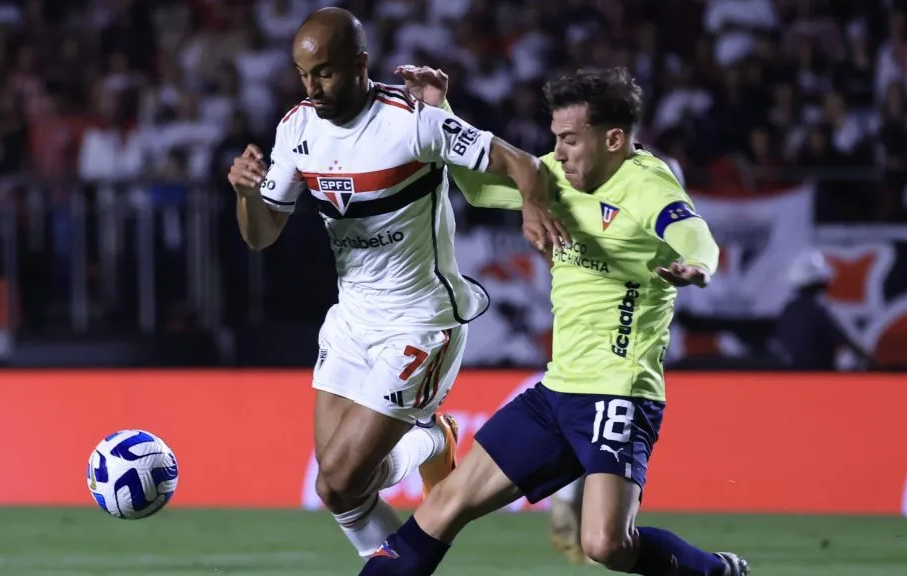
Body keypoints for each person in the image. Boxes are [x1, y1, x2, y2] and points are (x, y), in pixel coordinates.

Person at [358, 65, 751, 576]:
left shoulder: (647, 186)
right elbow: (479, 189)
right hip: (556, 391)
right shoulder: (553, 176)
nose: (558, 152)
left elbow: (695, 235)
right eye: (555, 139)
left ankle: (715, 571)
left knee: (606, 545)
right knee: (443, 504)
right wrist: (439, 111)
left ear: (613, 138)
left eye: (569, 139)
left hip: (619, 391)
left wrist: (696, 266)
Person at [226, 8, 567, 561]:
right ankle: (425, 466)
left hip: (419, 323)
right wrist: (245, 195)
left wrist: (532, 211)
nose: (313, 88)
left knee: (339, 477)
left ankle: (432, 439)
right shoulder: (296, 129)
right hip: (351, 320)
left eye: (326, 74)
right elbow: (261, 236)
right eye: (303, 74)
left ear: (361, 64)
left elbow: (523, 164)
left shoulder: (411, 122)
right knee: (339, 491)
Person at [547, 141, 688, 567]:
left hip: (596, 359)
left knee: (584, 448)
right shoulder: (639, 212)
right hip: (607, 369)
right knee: (589, 447)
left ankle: (572, 513)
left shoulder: (635, 219)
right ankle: (579, 518)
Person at [773, 249, 877, 370]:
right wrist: (872, 362)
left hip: (794, 375)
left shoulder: (789, 310)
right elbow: (845, 340)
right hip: (819, 376)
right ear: (818, 283)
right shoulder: (816, 311)